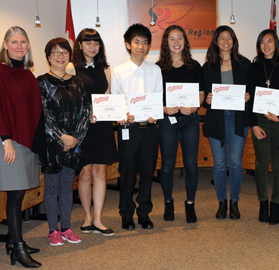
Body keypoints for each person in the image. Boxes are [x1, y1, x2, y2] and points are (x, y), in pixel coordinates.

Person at [0, 26, 43, 268]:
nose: (19, 46)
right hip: (7, 141)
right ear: (5, 45)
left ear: (28, 45)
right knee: (15, 193)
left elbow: (32, 109)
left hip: (25, 140)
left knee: (18, 194)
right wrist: (6, 140)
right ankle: (17, 247)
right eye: (14, 42)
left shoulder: (26, 73)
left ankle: (15, 242)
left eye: (23, 42)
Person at [38, 38, 92, 246]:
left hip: (74, 144)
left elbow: (86, 111)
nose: (60, 56)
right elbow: (42, 115)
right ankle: (53, 230)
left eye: (64, 52)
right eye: (55, 52)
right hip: (52, 144)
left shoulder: (77, 81)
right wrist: (62, 137)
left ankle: (67, 227)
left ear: (70, 56)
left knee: (68, 186)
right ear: (48, 57)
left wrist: (75, 138)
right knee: (52, 188)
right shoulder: (41, 82)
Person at [67, 28, 118, 236]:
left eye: (96, 43)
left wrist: (113, 112)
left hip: (102, 126)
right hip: (82, 127)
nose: (92, 47)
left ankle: (98, 219)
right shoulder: (71, 68)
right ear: (80, 45)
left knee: (101, 172)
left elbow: (107, 97)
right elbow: (70, 101)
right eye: (88, 42)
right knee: (85, 173)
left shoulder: (105, 69)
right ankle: (87, 217)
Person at [111, 23, 162, 230]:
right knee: (128, 172)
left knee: (148, 172)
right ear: (128, 45)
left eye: (145, 42)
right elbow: (116, 99)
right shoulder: (119, 71)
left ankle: (144, 213)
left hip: (149, 129)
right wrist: (122, 115)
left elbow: (158, 98)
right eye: (137, 42)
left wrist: (154, 115)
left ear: (149, 46)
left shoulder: (155, 70)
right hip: (128, 129)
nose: (141, 46)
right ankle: (126, 214)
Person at [155, 25, 204, 223]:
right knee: (167, 166)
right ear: (166, 43)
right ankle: (168, 202)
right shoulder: (158, 69)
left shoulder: (195, 66)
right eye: (172, 39)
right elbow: (153, 98)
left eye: (180, 38)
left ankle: (190, 204)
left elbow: (201, 94)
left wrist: (194, 107)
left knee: (191, 164)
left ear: (185, 41)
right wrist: (164, 109)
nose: (176, 43)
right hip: (168, 121)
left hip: (191, 120)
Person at [247, 29, 279, 225]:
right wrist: (253, 125)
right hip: (259, 120)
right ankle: (262, 203)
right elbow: (248, 97)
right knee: (261, 163)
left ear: (276, 43)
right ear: (259, 45)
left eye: (269, 41)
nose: (266, 45)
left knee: (278, 164)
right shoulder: (254, 67)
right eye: (262, 42)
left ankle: (275, 204)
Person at [203, 25, 251, 220]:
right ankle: (222, 201)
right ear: (216, 41)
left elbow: (254, 91)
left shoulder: (245, 63)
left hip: (238, 119)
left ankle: (235, 202)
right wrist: (206, 100)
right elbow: (204, 96)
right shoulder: (208, 67)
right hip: (217, 119)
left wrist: (249, 96)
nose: (226, 41)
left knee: (235, 162)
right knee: (220, 163)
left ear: (234, 41)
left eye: (229, 37)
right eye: (222, 37)